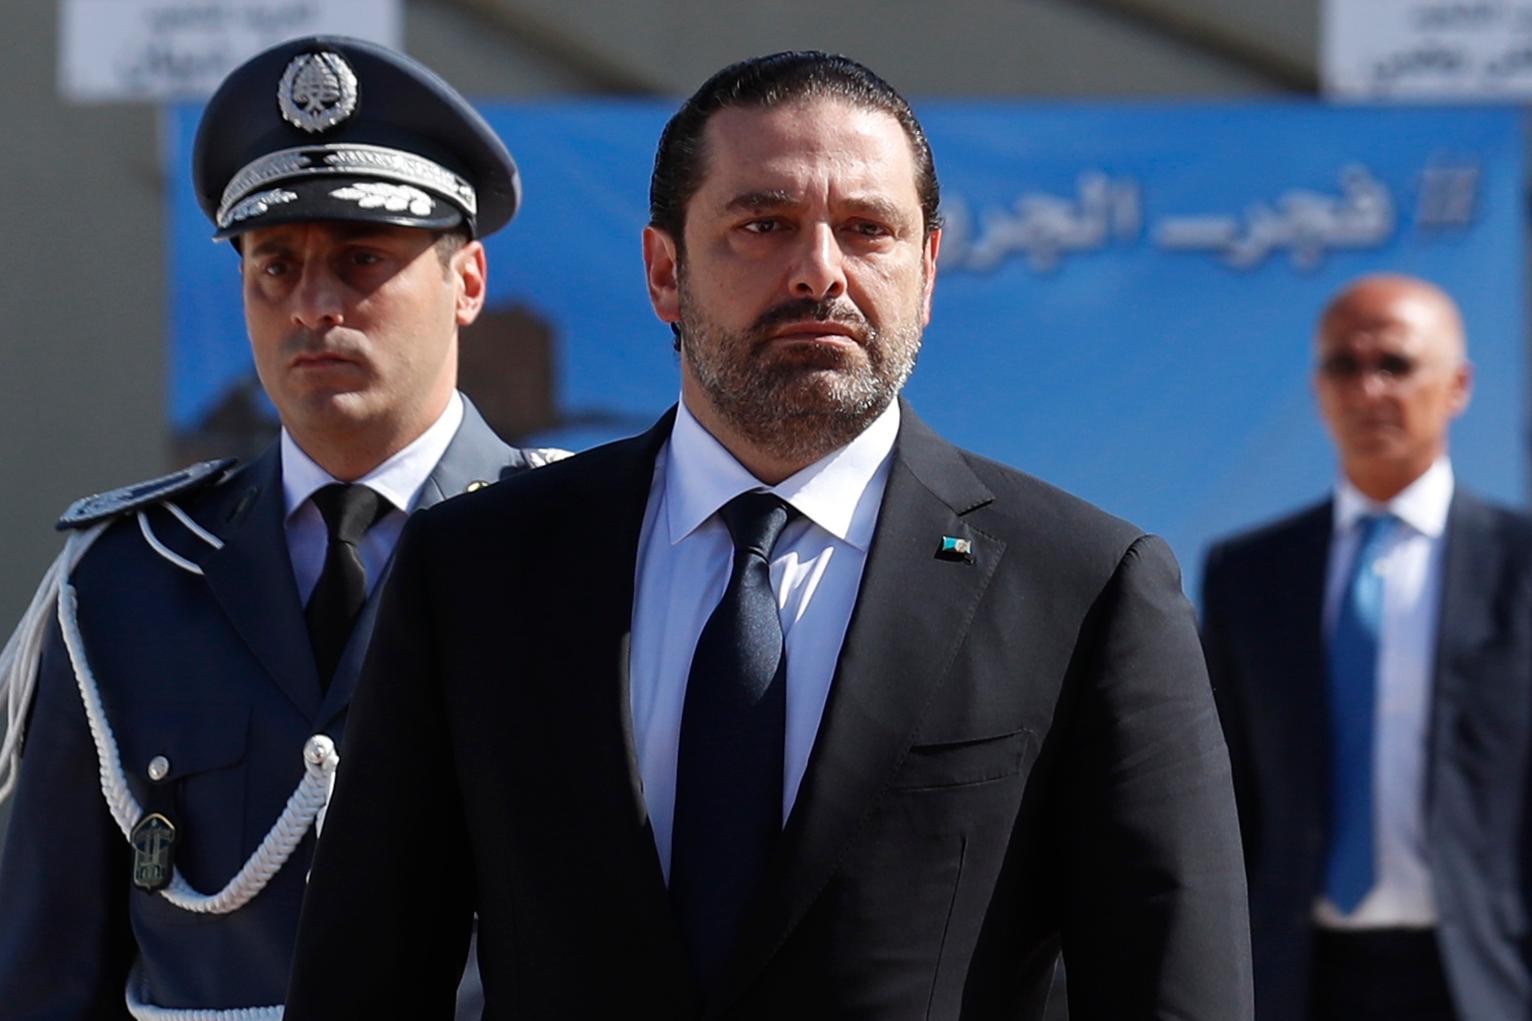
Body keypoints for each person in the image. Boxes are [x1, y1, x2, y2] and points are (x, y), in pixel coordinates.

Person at [284, 51, 1252, 1019]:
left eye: (866, 230)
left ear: (924, 274)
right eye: (765, 225)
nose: (820, 272)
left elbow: (1174, 993)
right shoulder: (478, 573)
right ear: (664, 271)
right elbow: (365, 979)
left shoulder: (1081, 591)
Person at [0, 35, 564, 1020]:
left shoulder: (582, 552)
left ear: (467, 282)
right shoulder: (125, 578)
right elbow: (48, 965)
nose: (312, 306)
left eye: (360, 260)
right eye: (275, 265)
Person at [1201, 274, 1532, 1021]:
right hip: (1301, 976)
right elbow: (1225, 795)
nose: (1368, 390)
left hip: (1487, 974)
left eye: (1396, 364)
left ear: (1458, 385)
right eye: (1343, 367)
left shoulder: (1519, 566)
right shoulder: (1251, 574)